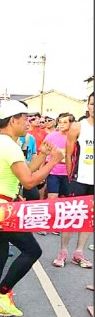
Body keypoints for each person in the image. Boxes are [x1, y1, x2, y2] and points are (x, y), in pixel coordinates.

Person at [0, 100, 63, 317]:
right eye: (25, 118)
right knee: (33, 250)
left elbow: (24, 171)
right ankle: (2, 292)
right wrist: (54, 162)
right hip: (0, 210)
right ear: (13, 120)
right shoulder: (8, 145)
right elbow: (29, 181)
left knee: (0, 254)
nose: (29, 122)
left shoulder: (4, 143)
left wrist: (42, 155)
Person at [60, 92, 94, 269]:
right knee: (72, 216)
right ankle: (63, 251)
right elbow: (69, 155)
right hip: (78, 178)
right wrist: (69, 176)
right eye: (92, 104)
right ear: (87, 105)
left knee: (89, 219)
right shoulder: (78, 127)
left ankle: (79, 253)